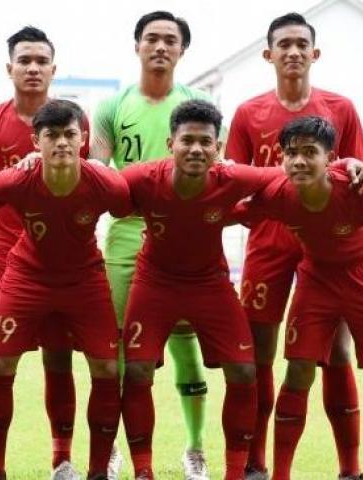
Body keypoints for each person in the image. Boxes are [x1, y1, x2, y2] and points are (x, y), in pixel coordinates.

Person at [224, 12, 363, 479]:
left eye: (300, 44)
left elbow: (358, 175)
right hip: (269, 240)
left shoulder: (342, 108)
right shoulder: (249, 113)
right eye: (282, 44)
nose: (292, 52)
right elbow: (232, 183)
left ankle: (349, 468)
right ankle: (255, 462)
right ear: (269, 55)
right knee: (263, 355)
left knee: (337, 353)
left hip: (331, 247)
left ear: (314, 53)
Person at [0, 99, 129, 480]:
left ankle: (95, 472)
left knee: (106, 367)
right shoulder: (16, 178)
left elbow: (134, 201)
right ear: (35, 141)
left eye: (69, 134)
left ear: (83, 139)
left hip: (84, 280)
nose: (61, 143)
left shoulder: (105, 182)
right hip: (26, 277)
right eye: (51, 135)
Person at [90, 12, 212, 478]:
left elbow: (211, 168)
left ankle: (195, 449)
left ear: (182, 50)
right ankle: (115, 449)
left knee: (186, 350)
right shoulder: (111, 106)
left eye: (170, 40)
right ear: (137, 45)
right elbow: (99, 173)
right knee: (119, 351)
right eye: (152, 38)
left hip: (186, 243)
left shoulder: (197, 103)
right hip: (125, 238)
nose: (160, 46)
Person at [0, 27, 91, 479]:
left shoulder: (77, 119)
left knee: (58, 358)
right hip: (8, 258)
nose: (33, 68)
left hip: (65, 261)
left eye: (42, 60)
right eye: (25, 60)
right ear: (10, 68)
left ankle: (62, 460)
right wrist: (3, 234)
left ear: (54, 69)